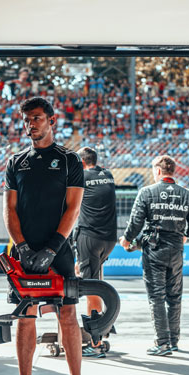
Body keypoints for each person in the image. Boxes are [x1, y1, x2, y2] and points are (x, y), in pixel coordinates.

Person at [0, 96, 99, 375]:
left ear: (52, 121)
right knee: (25, 317)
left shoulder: (70, 160)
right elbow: (9, 210)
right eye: (27, 119)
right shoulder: (16, 162)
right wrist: (25, 248)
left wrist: (52, 248)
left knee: (68, 316)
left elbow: (74, 208)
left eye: (37, 118)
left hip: (60, 252)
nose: (31, 125)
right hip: (24, 254)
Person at [120, 154, 189, 356]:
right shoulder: (188, 194)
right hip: (176, 249)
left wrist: (127, 240)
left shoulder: (146, 192)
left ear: (157, 171)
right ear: (173, 171)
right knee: (174, 296)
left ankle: (162, 343)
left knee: (156, 296)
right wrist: (185, 235)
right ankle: (173, 341)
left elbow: (135, 221)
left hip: (155, 249)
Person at [76, 146, 117, 358]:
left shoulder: (81, 177)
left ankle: (96, 340)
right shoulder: (107, 175)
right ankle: (103, 325)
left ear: (82, 162)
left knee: (90, 286)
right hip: (109, 239)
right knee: (97, 282)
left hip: (90, 237)